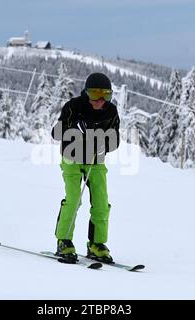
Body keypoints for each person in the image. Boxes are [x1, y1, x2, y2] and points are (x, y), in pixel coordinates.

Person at [51, 72, 120, 263]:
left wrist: (104, 142)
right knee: (73, 199)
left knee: (101, 202)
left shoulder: (111, 111)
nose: (99, 100)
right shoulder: (74, 106)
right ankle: (63, 241)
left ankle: (96, 244)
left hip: (95, 161)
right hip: (71, 158)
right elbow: (56, 133)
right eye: (94, 94)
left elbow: (115, 141)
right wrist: (74, 127)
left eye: (105, 95)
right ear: (86, 92)